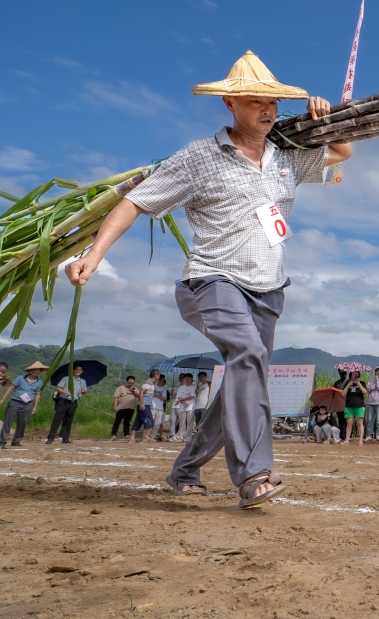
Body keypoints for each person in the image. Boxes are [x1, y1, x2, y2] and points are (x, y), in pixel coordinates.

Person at [65, 51, 352, 508]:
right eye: (256, 100)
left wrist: (329, 120)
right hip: (212, 282)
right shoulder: (198, 157)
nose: (267, 110)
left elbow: (341, 154)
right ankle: (254, 475)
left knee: (245, 375)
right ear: (229, 104)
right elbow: (135, 203)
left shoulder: (285, 157)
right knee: (248, 354)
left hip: (269, 290)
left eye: (273, 102)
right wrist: (93, 255)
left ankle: (185, 468)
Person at [0, 361, 48, 448]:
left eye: (37, 370)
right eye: (34, 370)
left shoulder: (39, 382)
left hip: (27, 404)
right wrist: (2, 399)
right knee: (8, 422)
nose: (35, 371)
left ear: (40, 371)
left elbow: (37, 394)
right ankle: (2, 441)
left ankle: (16, 441)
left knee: (22, 423)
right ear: (30, 370)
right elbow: (11, 388)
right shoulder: (20, 378)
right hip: (15, 402)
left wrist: (35, 406)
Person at [47, 363, 87, 445]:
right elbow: (57, 388)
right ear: (73, 370)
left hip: (73, 402)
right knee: (57, 420)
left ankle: (65, 438)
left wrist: (84, 392)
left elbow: (84, 392)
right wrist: (66, 392)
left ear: (82, 371)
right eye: (76, 369)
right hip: (63, 401)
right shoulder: (66, 378)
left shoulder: (83, 381)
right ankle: (50, 438)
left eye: (80, 370)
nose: (78, 371)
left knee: (68, 421)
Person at [129, 369, 158, 444]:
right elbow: (142, 392)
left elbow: (143, 394)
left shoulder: (152, 384)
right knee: (149, 419)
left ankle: (132, 438)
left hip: (143, 403)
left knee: (138, 421)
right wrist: (142, 403)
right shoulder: (148, 382)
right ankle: (146, 436)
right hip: (145, 404)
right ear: (156, 375)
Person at [341, 371, 366, 446]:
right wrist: (348, 384)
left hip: (359, 406)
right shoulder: (347, 383)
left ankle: (360, 440)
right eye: (353, 373)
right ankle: (347, 440)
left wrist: (359, 385)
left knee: (359, 423)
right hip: (349, 406)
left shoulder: (362, 383)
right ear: (350, 375)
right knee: (348, 423)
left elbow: (365, 392)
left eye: (356, 373)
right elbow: (343, 394)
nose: (355, 374)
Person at [172, 374, 197, 442]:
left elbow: (192, 396)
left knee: (189, 422)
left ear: (192, 379)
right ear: (184, 379)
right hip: (182, 407)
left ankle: (188, 437)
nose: (187, 379)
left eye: (189, 378)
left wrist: (181, 400)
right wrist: (183, 402)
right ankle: (180, 437)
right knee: (182, 422)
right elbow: (178, 397)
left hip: (191, 407)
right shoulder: (181, 387)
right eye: (186, 378)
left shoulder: (194, 387)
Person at [365, 367, 379, 441]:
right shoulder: (371, 380)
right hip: (370, 401)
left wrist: (377, 382)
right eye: (377, 371)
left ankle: (378, 434)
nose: (378, 372)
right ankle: (370, 434)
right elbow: (368, 389)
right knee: (370, 419)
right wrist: (374, 383)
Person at [150, 375, 169, 442]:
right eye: (160, 379)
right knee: (150, 422)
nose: (161, 380)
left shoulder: (164, 389)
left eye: (162, 379)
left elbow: (164, 398)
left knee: (157, 423)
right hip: (152, 406)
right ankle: (147, 435)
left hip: (160, 407)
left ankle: (152, 437)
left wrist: (156, 395)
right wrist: (158, 395)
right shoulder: (153, 387)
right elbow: (152, 394)